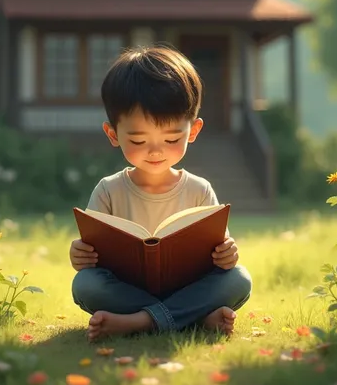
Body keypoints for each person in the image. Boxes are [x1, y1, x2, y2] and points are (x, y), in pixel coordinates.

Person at [70, 45, 252, 341]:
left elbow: (222, 255)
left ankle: (139, 321)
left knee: (238, 279)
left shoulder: (199, 189)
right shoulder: (107, 190)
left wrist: (227, 254)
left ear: (193, 131)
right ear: (113, 134)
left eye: (171, 138)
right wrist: (79, 254)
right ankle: (193, 317)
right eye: (139, 140)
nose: (155, 151)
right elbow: (93, 257)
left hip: (187, 285)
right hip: (129, 289)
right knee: (86, 285)